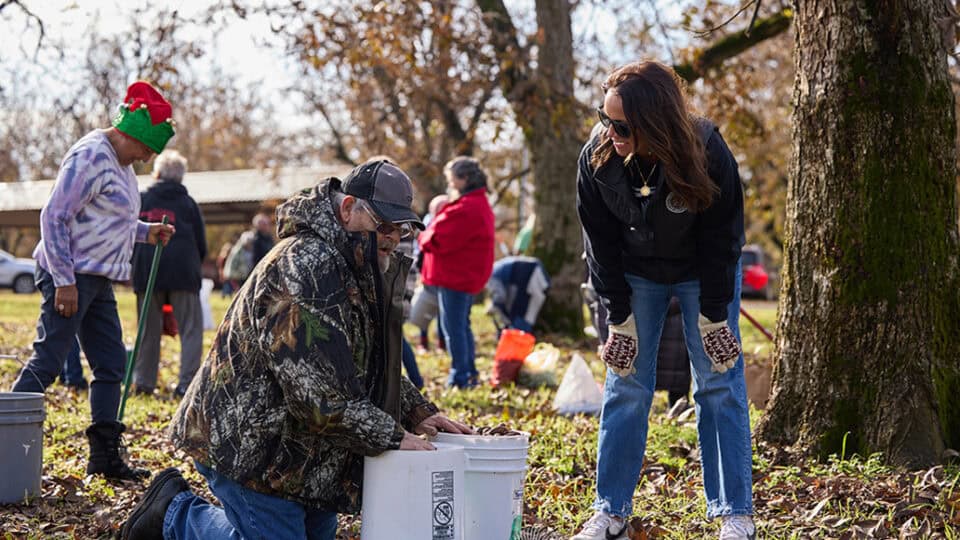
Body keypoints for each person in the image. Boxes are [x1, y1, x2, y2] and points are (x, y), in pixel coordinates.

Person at [117, 158, 472, 540]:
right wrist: (393, 436)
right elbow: (317, 398)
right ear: (348, 208)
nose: (391, 237)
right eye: (383, 225)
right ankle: (174, 513)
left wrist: (415, 411)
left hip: (302, 446)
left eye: (400, 229)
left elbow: (365, 363)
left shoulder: (356, 263)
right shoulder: (304, 267)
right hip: (250, 442)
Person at [574, 61, 754, 540]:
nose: (610, 132)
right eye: (604, 118)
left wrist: (715, 316)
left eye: (622, 126)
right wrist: (620, 317)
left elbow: (724, 239)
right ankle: (610, 510)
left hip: (701, 270)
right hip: (635, 274)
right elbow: (600, 246)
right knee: (627, 385)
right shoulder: (597, 157)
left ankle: (735, 513)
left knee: (718, 384)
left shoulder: (706, 148)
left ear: (654, 122)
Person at [11, 81, 176, 480]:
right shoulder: (90, 156)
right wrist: (64, 281)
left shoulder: (119, 163)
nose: (148, 157)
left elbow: (106, 219)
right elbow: (54, 217)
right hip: (68, 274)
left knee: (110, 363)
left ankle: (104, 457)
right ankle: (8, 444)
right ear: (130, 134)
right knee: (49, 360)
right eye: (146, 148)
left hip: (97, 278)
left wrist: (145, 231)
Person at [130, 150, 207, 398]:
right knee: (190, 330)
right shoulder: (188, 203)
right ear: (181, 178)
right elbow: (201, 243)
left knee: (147, 330)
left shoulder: (142, 199)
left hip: (146, 270)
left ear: (158, 173)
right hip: (183, 272)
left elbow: (129, 233)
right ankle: (187, 384)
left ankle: (143, 383)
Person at [418, 157, 495, 388]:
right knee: (461, 326)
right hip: (463, 276)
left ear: (464, 179)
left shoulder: (466, 208)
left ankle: (460, 377)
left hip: (456, 277)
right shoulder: (476, 203)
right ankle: (468, 372)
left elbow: (436, 239)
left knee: (453, 329)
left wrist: (423, 234)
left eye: (452, 179)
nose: (449, 183)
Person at [410, 193, 449, 353]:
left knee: (442, 310)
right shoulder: (428, 221)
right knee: (424, 308)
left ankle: (441, 342)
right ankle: (423, 340)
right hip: (428, 272)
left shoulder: (448, 221)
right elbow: (420, 246)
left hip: (445, 275)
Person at [485, 255, 550, 334]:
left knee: (524, 314)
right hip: (535, 272)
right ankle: (520, 334)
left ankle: (519, 336)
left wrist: (493, 306)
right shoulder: (496, 268)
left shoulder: (490, 276)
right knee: (528, 314)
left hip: (529, 274)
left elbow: (500, 296)